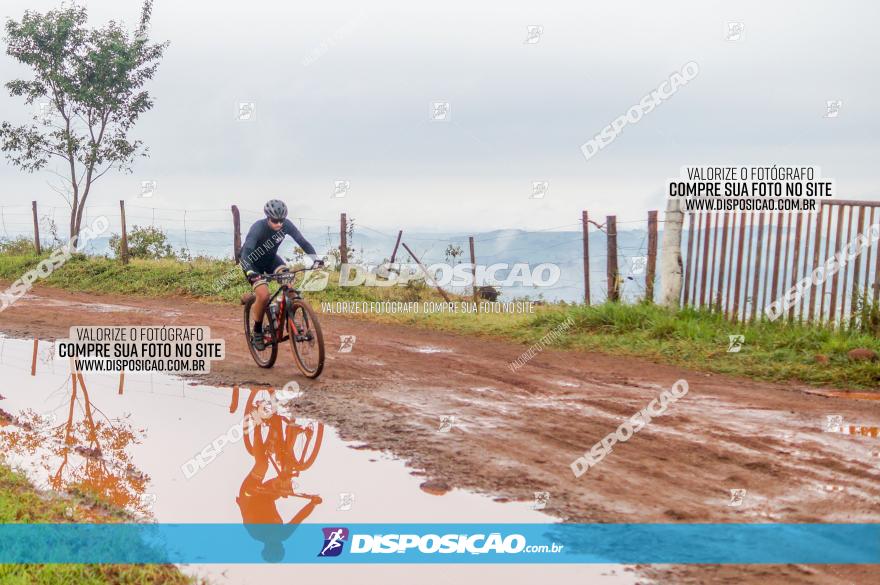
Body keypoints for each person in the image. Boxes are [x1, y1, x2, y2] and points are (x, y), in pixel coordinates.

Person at [241, 199, 322, 350]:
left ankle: (288, 315)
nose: (278, 224)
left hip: (271, 260)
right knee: (264, 295)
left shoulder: (286, 225)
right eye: (274, 221)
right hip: (252, 263)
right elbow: (246, 252)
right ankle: (257, 331)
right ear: (267, 217)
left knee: (289, 286)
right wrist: (250, 272)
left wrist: (315, 259)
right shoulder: (258, 228)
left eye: (281, 220)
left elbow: (302, 242)